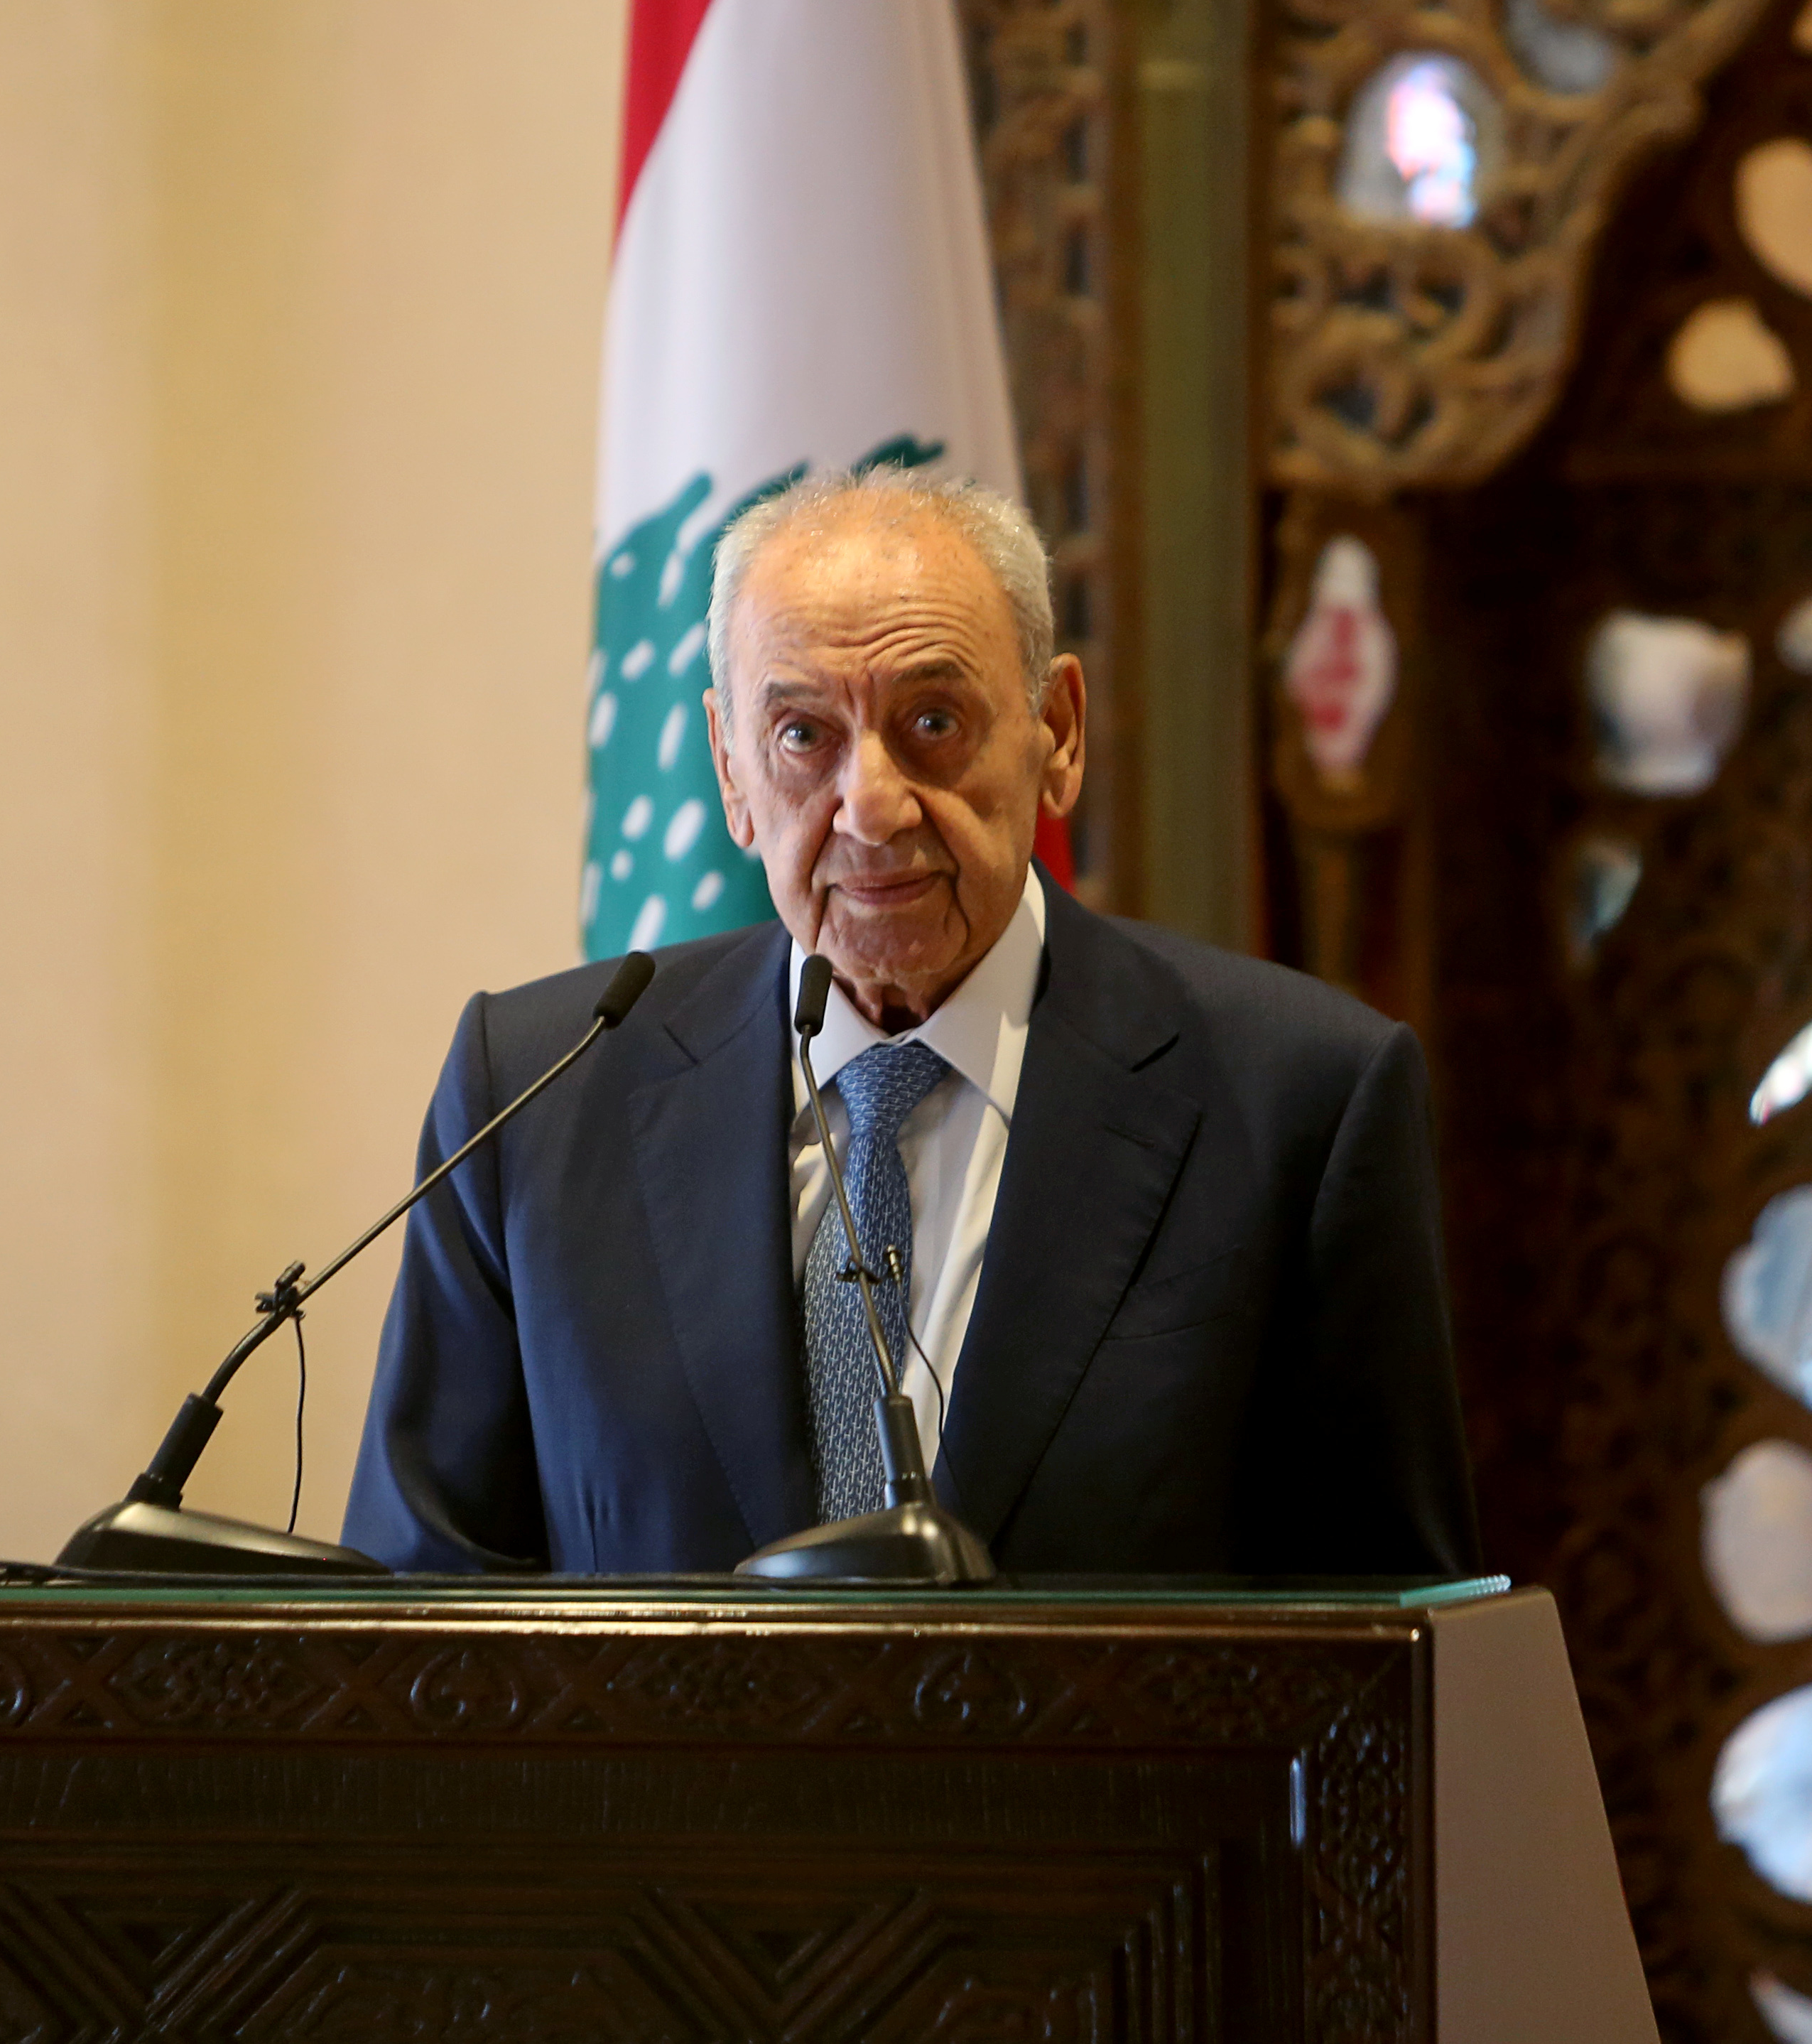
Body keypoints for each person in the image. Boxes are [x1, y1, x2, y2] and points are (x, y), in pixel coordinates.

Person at [340, 465, 1475, 1575]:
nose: (870, 807)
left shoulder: (1297, 1100)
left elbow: (1391, 1653)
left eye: (932, 720)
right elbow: (417, 1631)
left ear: (1057, 732)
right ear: (731, 772)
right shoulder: (538, 1096)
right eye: (801, 737)